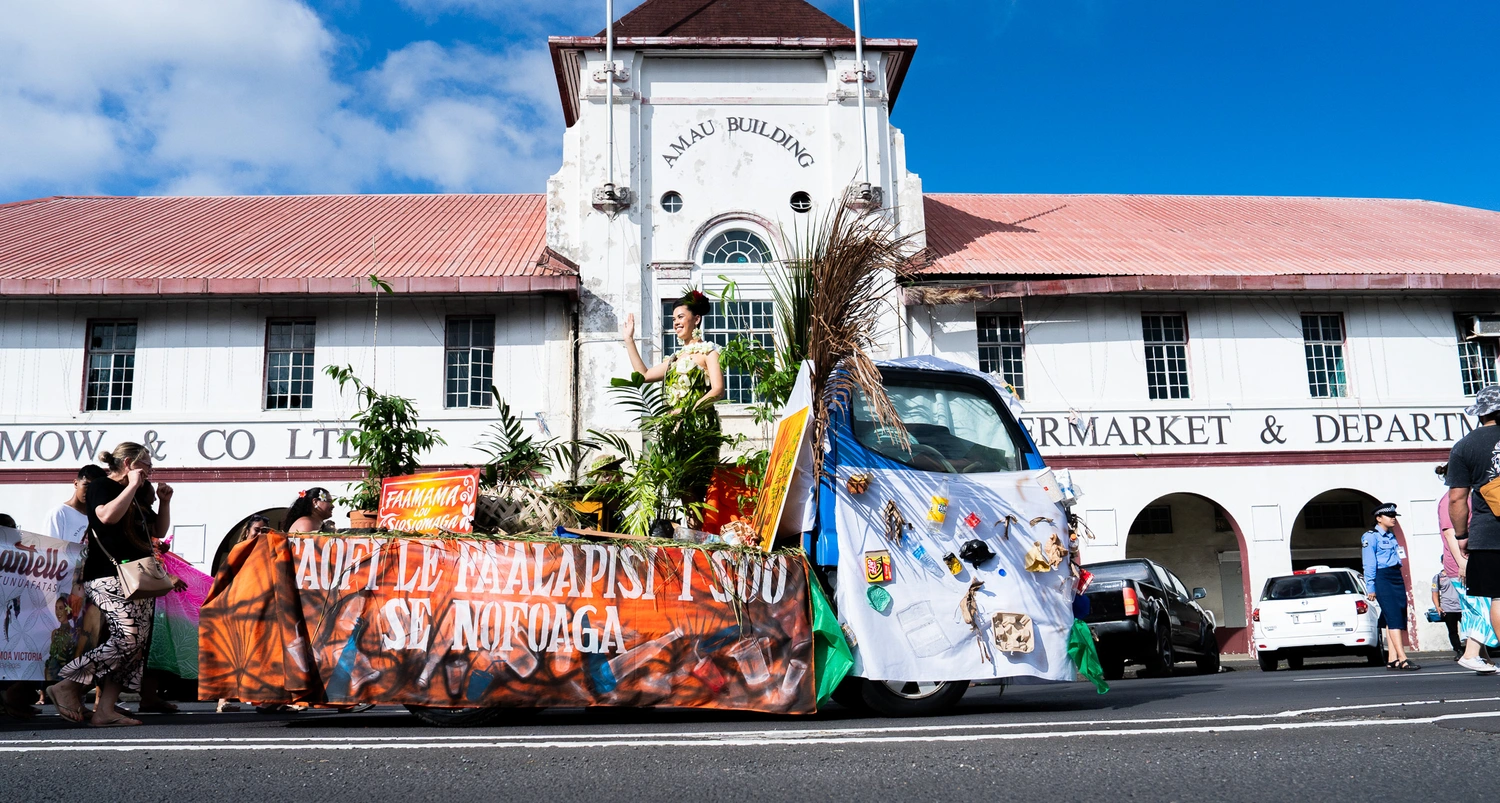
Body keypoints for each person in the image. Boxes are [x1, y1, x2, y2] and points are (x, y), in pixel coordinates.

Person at [45, 443, 184, 727]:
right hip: (107, 574)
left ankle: (105, 710)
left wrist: (164, 502)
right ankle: (68, 685)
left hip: (139, 577)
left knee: (136, 646)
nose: (150, 471)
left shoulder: (139, 492)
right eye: (146, 465)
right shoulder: (102, 486)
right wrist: (131, 485)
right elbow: (106, 517)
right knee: (128, 638)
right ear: (129, 463)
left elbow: (157, 531)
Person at [619, 288, 727, 526]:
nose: (676, 322)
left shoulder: (709, 353)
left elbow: (718, 390)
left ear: (696, 319)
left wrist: (686, 411)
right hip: (676, 431)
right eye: (674, 319)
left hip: (699, 429)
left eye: (680, 317)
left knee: (698, 487)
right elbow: (644, 375)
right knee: (683, 488)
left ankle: (700, 536)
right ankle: (693, 536)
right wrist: (629, 340)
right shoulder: (675, 359)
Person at [1445, 384, 1500, 672]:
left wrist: (1462, 536)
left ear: (1480, 414)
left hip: (1489, 534)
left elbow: (1457, 498)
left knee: (1499, 597)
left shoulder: (1464, 446)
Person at [1362, 503, 1419, 670]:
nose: (1393, 518)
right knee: (1393, 616)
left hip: (1395, 575)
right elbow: (1369, 564)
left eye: (1394, 516)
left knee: (1395, 615)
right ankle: (1403, 658)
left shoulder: (1391, 536)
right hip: (1383, 577)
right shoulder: (1371, 537)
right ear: (1379, 518)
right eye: (1390, 516)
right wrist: (1370, 587)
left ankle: (1392, 658)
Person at [1432, 570, 1463, 657]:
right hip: (1448, 608)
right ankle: (1459, 650)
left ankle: (1472, 651)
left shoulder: (1460, 573)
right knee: (1453, 631)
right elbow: (1435, 593)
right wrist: (1437, 607)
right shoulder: (1438, 577)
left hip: (1463, 607)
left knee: (1469, 630)